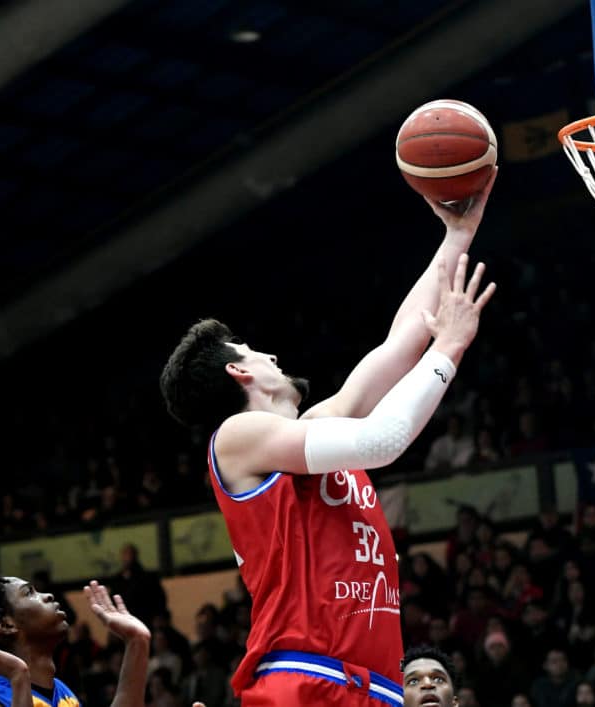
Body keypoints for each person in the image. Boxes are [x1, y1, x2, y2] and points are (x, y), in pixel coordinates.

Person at [160, 179, 497, 706]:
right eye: (253, 351)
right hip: (308, 677)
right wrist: (450, 346)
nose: (269, 355)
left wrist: (457, 235)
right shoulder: (236, 438)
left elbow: (400, 342)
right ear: (238, 372)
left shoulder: (310, 433)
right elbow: (385, 440)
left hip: (374, 686)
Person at [0, 561, 154, 707]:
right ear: (6, 624)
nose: (47, 595)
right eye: (29, 593)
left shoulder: (62, 694)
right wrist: (18, 677)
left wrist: (137, 642)